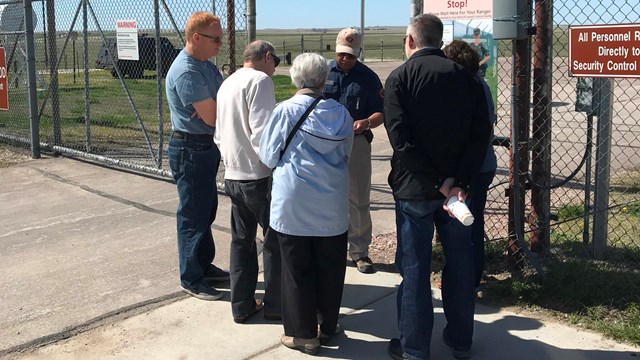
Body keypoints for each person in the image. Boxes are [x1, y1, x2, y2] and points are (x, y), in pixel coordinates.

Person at [384, 14, 490, 360]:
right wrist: (456, 182)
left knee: (414, 269)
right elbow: (479, 136)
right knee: (459, 266)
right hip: (457, 194)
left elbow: (401, 141)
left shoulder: (400, 77)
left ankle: (414, 348)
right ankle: (461, 341)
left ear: (410, 41)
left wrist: (434, 182)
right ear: (439, 40)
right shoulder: (467, 78)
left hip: (415, 189)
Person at [259, 53, 353, 355]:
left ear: (295, 78)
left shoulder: (284, 111)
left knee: (296, 270)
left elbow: (268, 155)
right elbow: (346, 155)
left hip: (294, 203)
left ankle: (303, 334)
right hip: (333, 203)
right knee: (330, 266)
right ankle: (328, 325)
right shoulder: (341, 114)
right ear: (324, 79)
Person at [214, 40, 282, 323]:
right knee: (275, 240)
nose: (274, 68)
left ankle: (241, 305)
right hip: (257, 175)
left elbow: (218, 133)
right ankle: (276, 305)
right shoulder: (260, 82)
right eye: (275, 62)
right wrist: (276, 164)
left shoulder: (227, 83)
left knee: (241, 242)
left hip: (233, 173)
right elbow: (262, 133)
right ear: (267, 57)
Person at [165, 12, 229, 301]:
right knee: (192, 214)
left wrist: (214, 106)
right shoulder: (187, 71)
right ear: (196, 38)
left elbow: (223, 101)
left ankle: (203, 265)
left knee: (206, 209)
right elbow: (215, 115)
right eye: (215, 39)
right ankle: (191, 277)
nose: (220, 44)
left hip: (204, 146)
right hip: (191, 148)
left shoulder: (206, 66)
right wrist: (214, 108)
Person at [323, 27, 384, 274]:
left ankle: (359, 252)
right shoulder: (323, 72)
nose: (345, 59)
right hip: (325, 142)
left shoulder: (368, 78)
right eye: (341, 54)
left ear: (358, 53)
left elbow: (381, 113)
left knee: (358, 198)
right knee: (325, 196)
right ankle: (329, 249)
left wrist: (367, 122)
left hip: (356, 142)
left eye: (350, 55)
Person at [443, 39, 497, 295]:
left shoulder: (468, 88)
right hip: (484, 164)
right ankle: (472, 276)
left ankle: (468, 280)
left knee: (465, 224)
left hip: (472, 168)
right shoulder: (481, 85)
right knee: (473, 222)